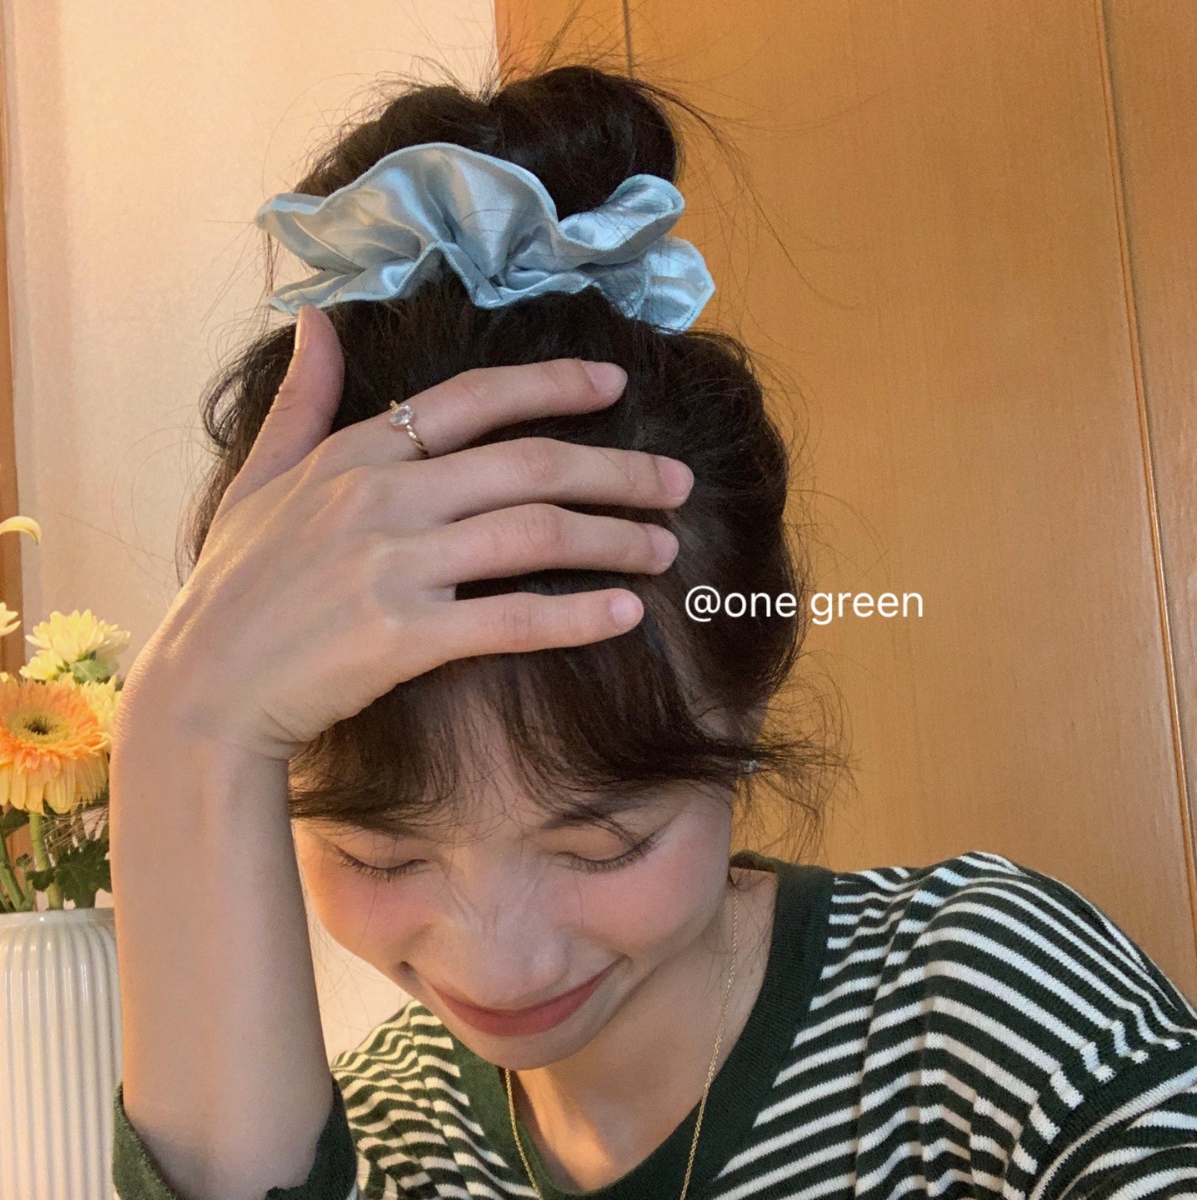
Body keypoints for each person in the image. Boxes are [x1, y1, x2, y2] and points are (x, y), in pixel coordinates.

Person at [108, 58, 1197, 1200]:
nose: (500, 965)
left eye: (600, 845)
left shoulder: (982, 1012)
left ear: (748, 699)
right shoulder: (376, 1140)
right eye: (382, 856)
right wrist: (184, 729)